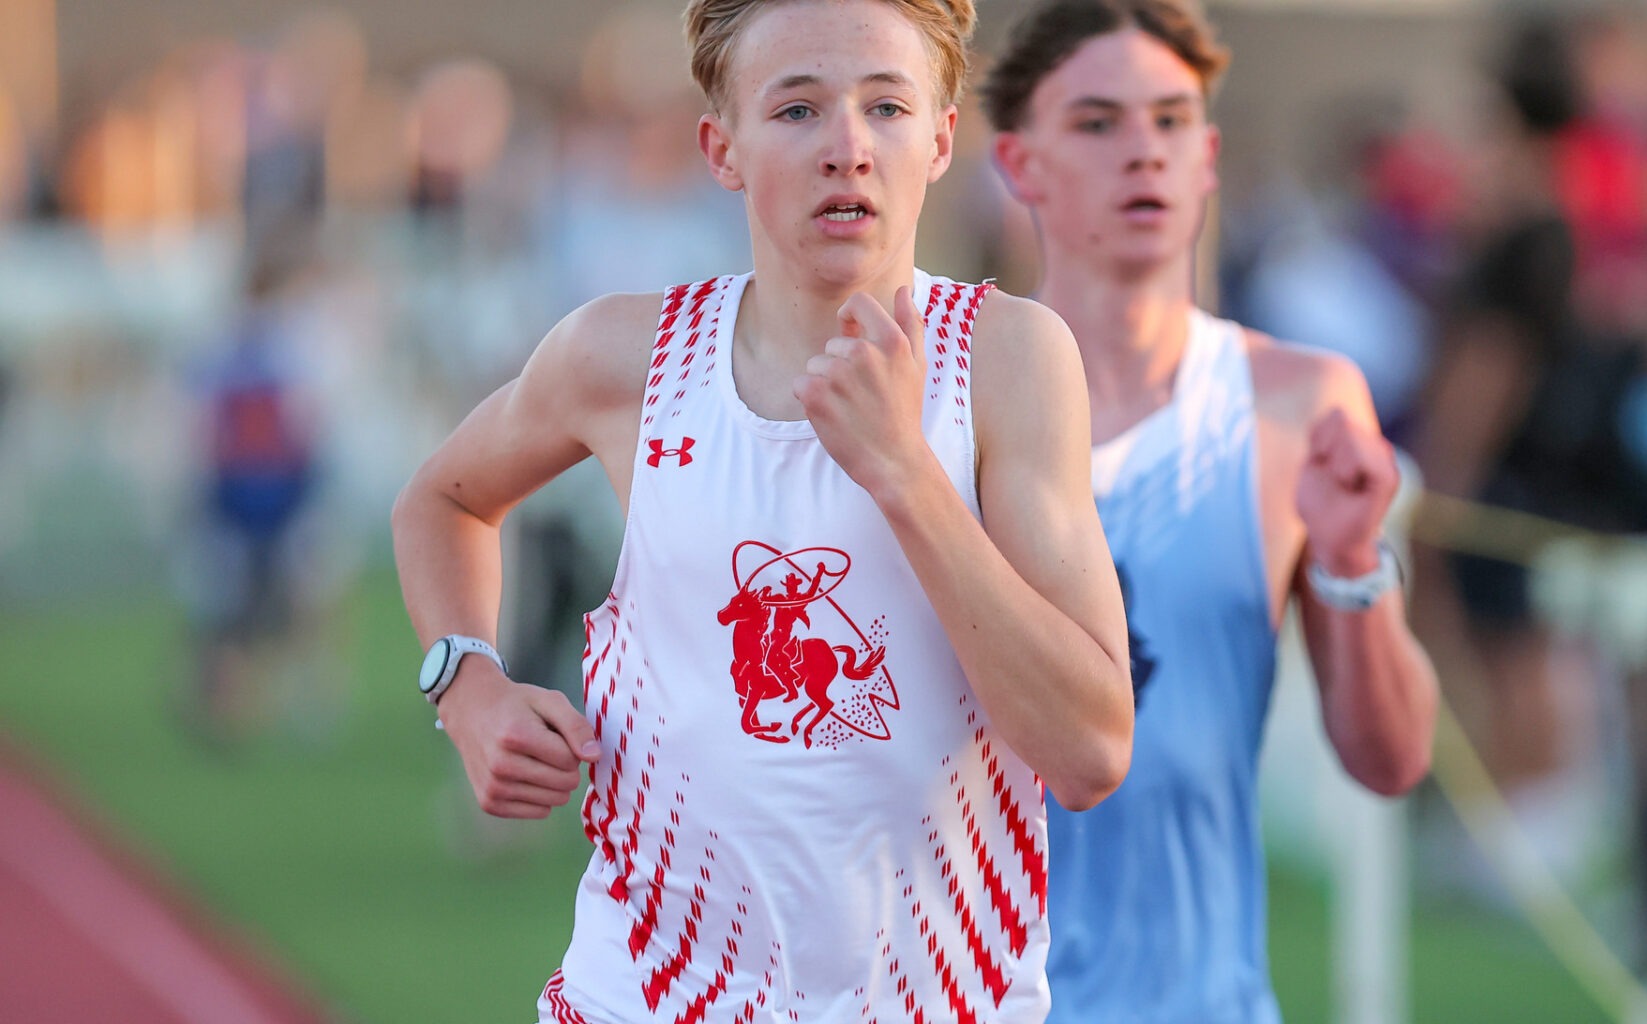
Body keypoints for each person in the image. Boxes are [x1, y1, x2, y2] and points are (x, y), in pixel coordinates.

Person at [390, 0, 1134, 1021]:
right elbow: (442, 498)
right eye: (796, 111)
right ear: (722, 147)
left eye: (885, 107)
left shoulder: (1007, 361)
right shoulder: (623, 359)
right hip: (643, 997)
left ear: (943, 138)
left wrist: (905, 473)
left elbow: (1091, 750)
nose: (847, 149)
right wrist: (466, 686)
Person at [980, 2, 1438, 1021]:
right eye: (1098, 123)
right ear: (1019, 163)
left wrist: (1354, 558)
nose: (1143, 151)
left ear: (1210, 156)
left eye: (1171, 120)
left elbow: (1392, 758)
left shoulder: (1295, 404)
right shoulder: (931, 400)